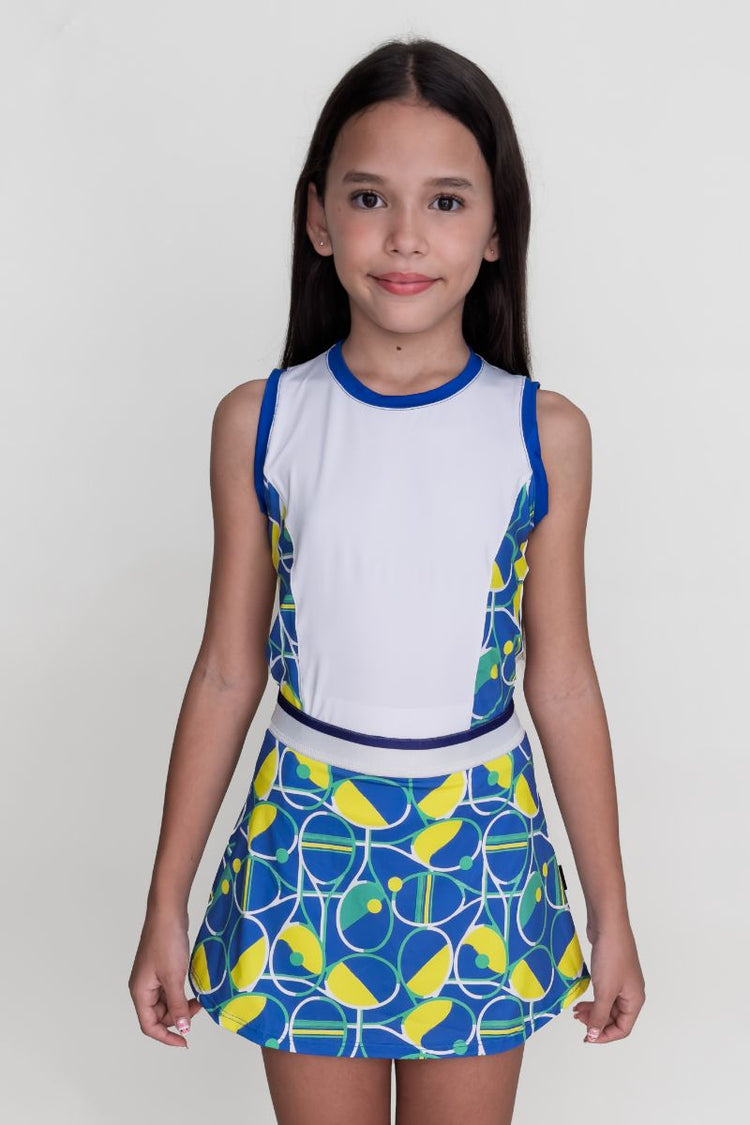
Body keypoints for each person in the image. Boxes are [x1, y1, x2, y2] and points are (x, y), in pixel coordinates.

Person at [128, 36, 646, 1125]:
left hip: (484, 851)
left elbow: (561, 680)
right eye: (369, 197)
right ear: (318, 218)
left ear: (497, 228)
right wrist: (166, 899)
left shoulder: (544, 432)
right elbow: (227, 671)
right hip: (303, 845)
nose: (406, 235)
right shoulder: (260, 422)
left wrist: (612, 912)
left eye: (446, 202)